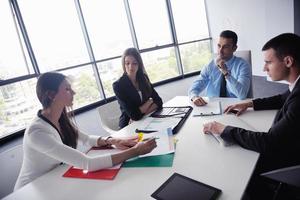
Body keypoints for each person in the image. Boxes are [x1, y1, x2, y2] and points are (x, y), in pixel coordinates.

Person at [14, 72, 157, 190]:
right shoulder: (37, 132)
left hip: (53, 179)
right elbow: (87, 163)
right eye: (67, 89)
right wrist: (136, 151)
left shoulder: (59, 118)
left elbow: (86, 138)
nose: (73, 92)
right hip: (30, 190)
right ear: (51, 95)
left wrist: (114, 140)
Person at [203, 33, 300, 199]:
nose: (264, 69)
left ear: (288, 62)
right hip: (286, 146)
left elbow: (268, 143)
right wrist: (249, 104)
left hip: (287, 161)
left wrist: (223, 129)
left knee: (235, 162)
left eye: (268, 62)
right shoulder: (296, 86)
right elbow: (281, 98)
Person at [188, 30, 251, 106]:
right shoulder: (210, 66)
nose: (220, 50)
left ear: (234, 48)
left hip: (234, 106)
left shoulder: (243, 65)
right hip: (212, 106)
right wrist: (194, 97)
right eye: (219, 46)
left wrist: (225, 72)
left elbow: (242, 94)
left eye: (225, 47)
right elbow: (194, 88)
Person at [113, 48, 163, 129]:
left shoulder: (143, 78)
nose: (130, 67)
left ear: (139, 64)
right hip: (128, 125)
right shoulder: (118, 85)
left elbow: (159, 101)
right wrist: (150, 102)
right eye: (127, 63)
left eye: (134, 63)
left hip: (145, 119)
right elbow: (134, 115)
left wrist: (144, 113)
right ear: (123, 64)